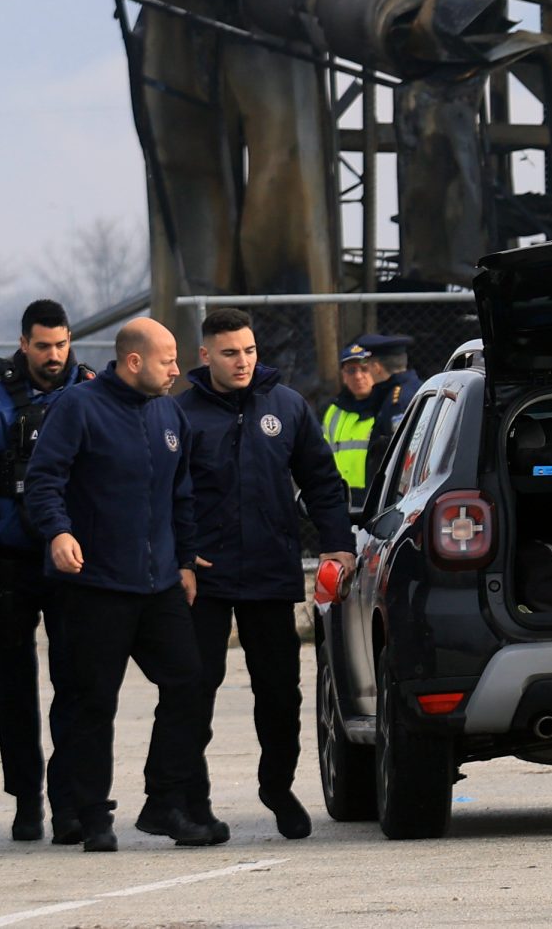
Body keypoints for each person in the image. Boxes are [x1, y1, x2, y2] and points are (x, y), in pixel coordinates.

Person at [160, 309, 355, 842]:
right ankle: (193, 804)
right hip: (206, 579)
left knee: (279, 693)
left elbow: (321, 480)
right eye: (229, 352)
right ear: (205, 356)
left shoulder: (287, 406)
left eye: (248, 350)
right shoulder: (180, 413)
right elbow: (161, 492)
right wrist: (181, 554)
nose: (242, 361)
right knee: (194, 691)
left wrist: (339, 545)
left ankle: (278, 787)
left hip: (271, 573)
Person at [22, 316, 208, 853]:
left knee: (189, 684)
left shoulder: (169, 412)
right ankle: (91, 816)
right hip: (96, 585)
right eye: (167, 360)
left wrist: (186, 562)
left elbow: (181, 494)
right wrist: (58, 532)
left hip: (159, 586)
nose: (177, 369)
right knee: (92, 703)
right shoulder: (78, 408)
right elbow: (43, 480)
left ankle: (165, 803)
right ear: (134, 362)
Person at [0, 298, 96, 843]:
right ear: (24, 344)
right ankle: (26, 799)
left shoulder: (95, 395)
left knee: (76, 684)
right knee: (14, 686)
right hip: (7, 561)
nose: (54, 356)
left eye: (62, 344)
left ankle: (70, 800)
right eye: (43, 346)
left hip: (73, 561)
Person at [321, 338, 394, 511]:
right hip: (340, 501)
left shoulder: (389, 407)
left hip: (378, 502)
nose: (358, 376)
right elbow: (321, 455)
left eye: (364, 368)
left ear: (376, 370)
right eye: (351, 370)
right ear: (343, 376)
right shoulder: (334, 411)